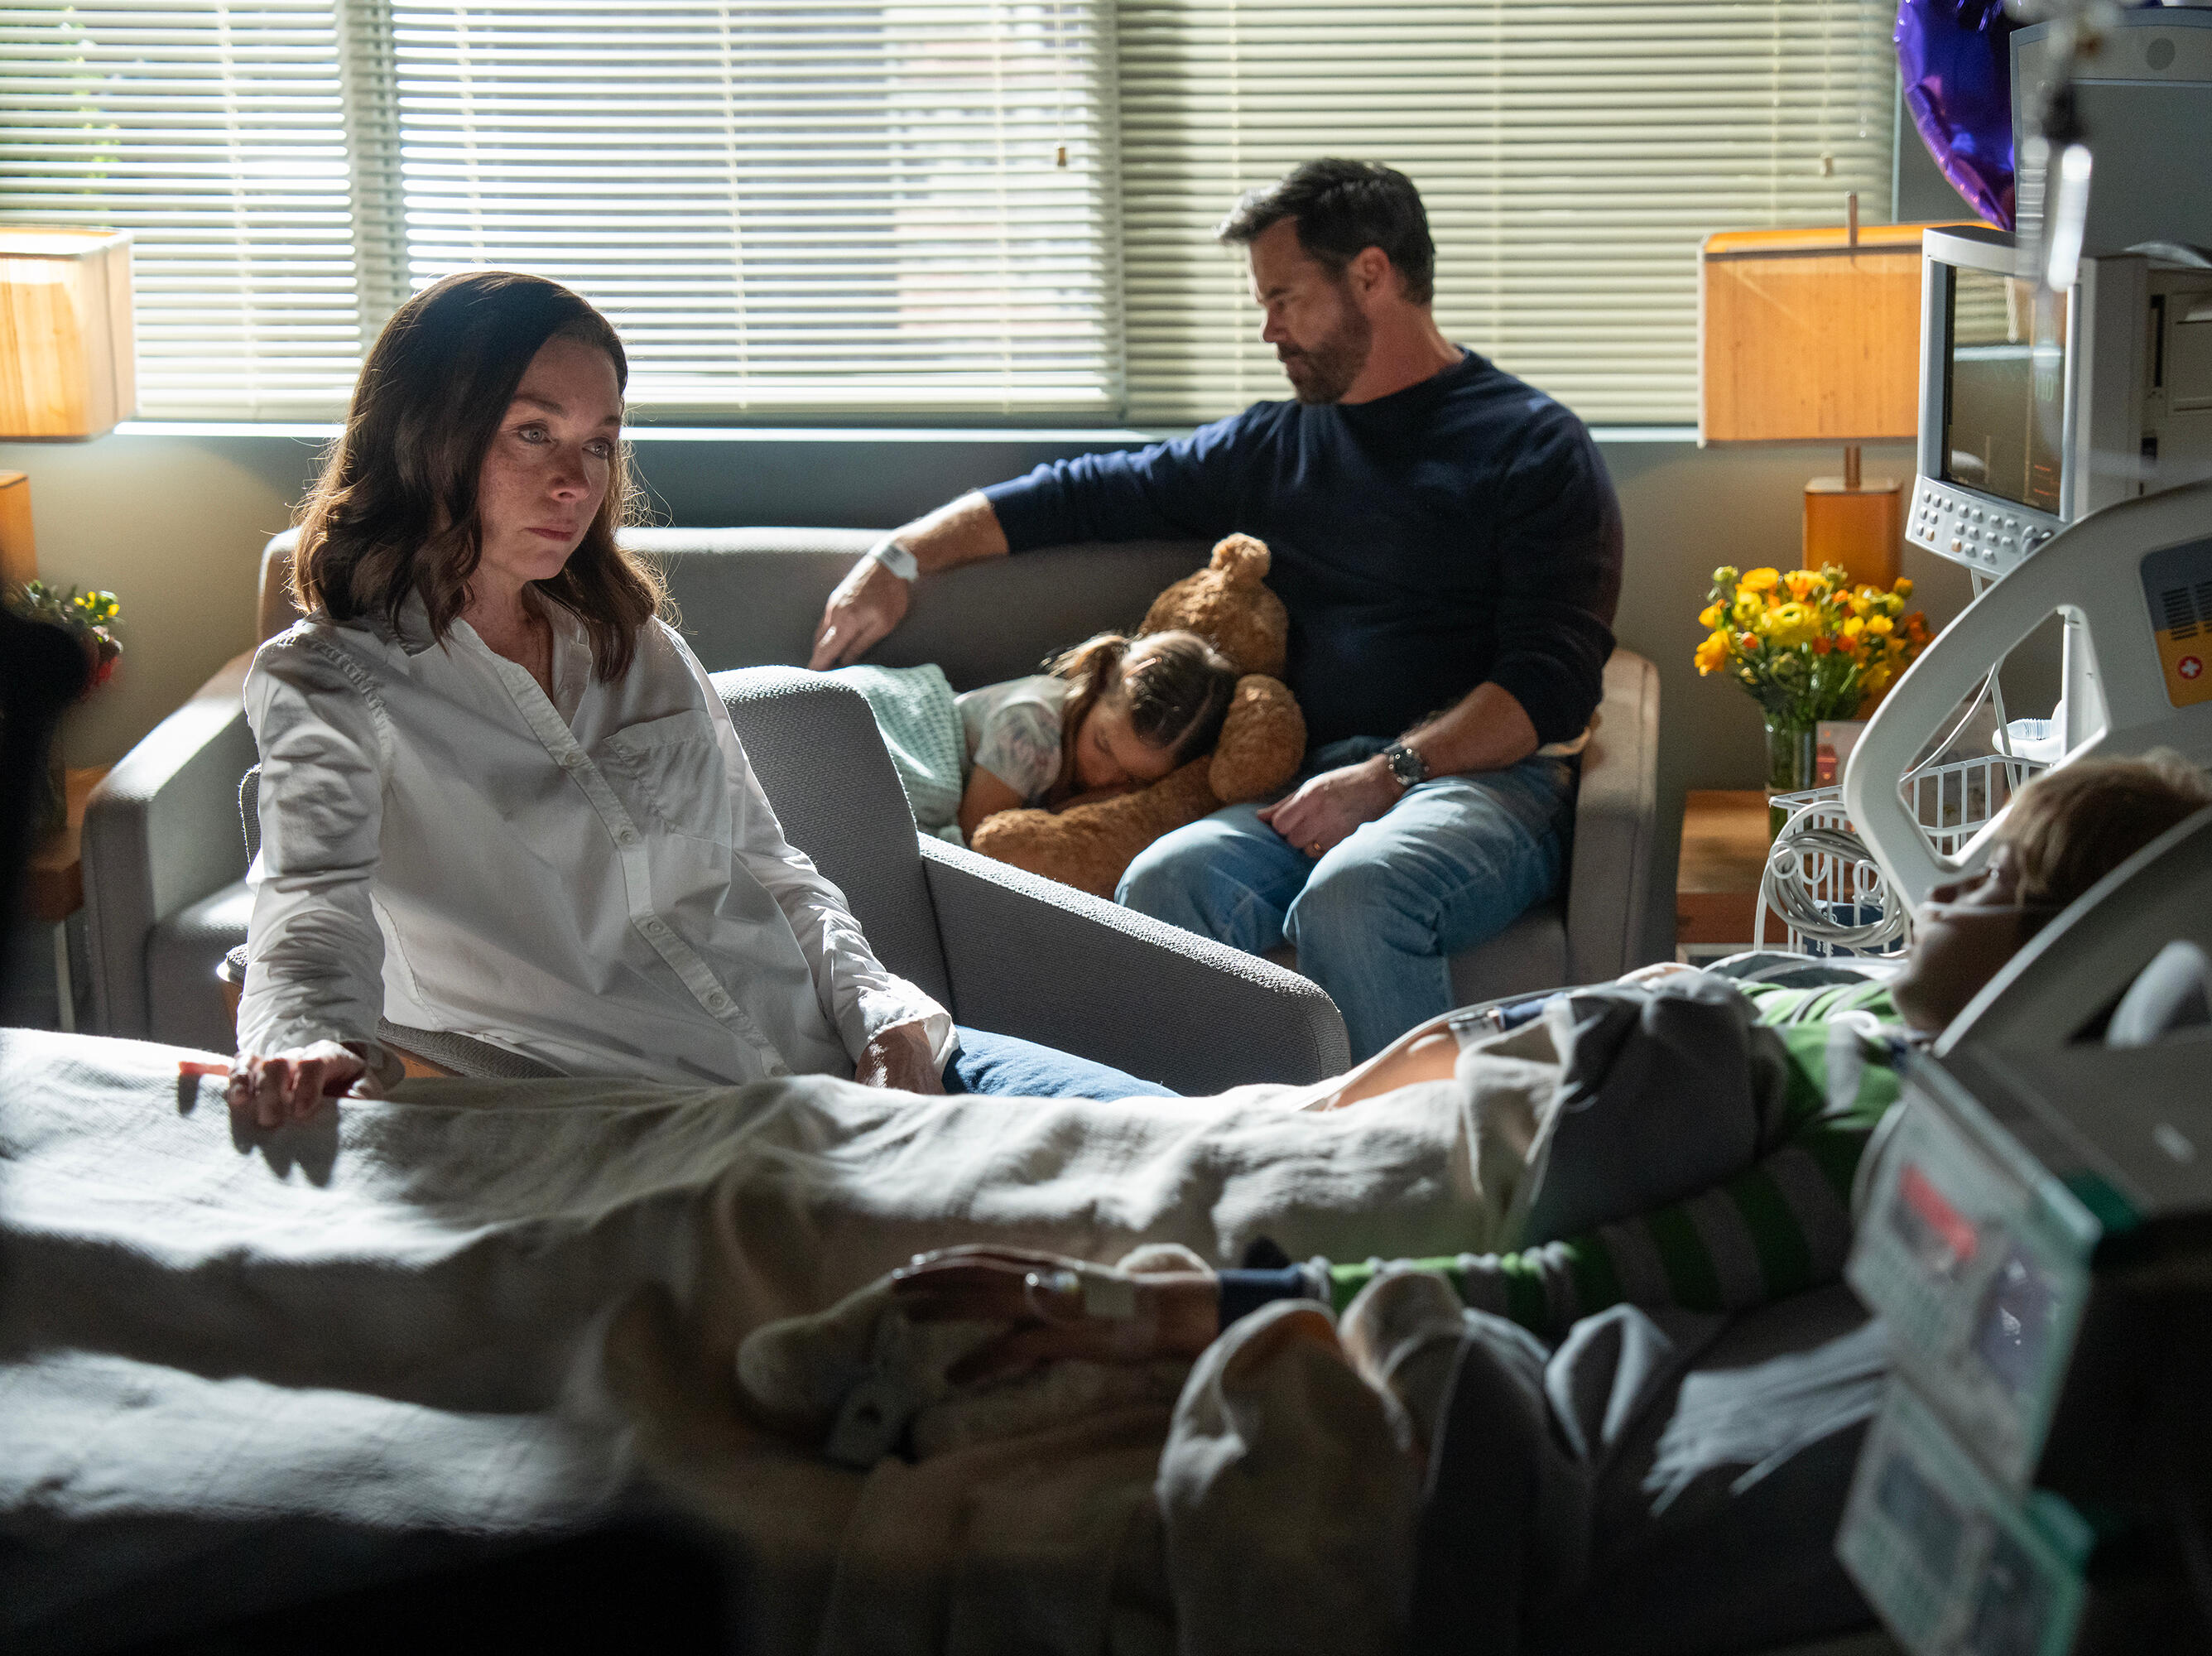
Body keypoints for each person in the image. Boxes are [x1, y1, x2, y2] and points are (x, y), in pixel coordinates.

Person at [883, 753, 2212, 1372]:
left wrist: (1174, 1311)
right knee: (953, 1064)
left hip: (1391, 1201)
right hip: (1352, 1119)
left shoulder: (1887, 1140)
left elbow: (1581, 1280)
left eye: (1993, 886)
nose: (1946, 888)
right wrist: (1361, 1079)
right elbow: (1562, 1017)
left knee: (936, 1130)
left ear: (2070, 962)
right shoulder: (1830, 992)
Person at [231, 270, 1169, 1125]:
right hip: (683, 1128)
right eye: (533, 432)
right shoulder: (330, 682)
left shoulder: (633, 646)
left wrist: (885, 1017)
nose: (575, 482)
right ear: (423, 434)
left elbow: (774, 870)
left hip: (864, 1056)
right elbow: (310, 902)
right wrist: (305, 1039)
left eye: (600, 443)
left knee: (1190, 1136)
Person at [805, 158, 1625, 1061]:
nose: (1268, 327)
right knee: (1162, 883)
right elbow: (1083, 493)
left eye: (1284, 298)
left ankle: (1427, 1182)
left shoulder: (1533, 446)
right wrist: (900, 556)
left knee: (1357, 891)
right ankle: (1214, 1169)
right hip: (1300, 787)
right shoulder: (1274, 445)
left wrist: (1388, 773)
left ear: (1371, 275)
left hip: (1477, 786)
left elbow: (1547, 683)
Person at [953, 629, 1237, 839]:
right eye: (1103, 746)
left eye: (1133, 778)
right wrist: (1070, 812)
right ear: (1102, 680)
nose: (1103, 779)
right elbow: (976, 846)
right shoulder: (1030, 727)